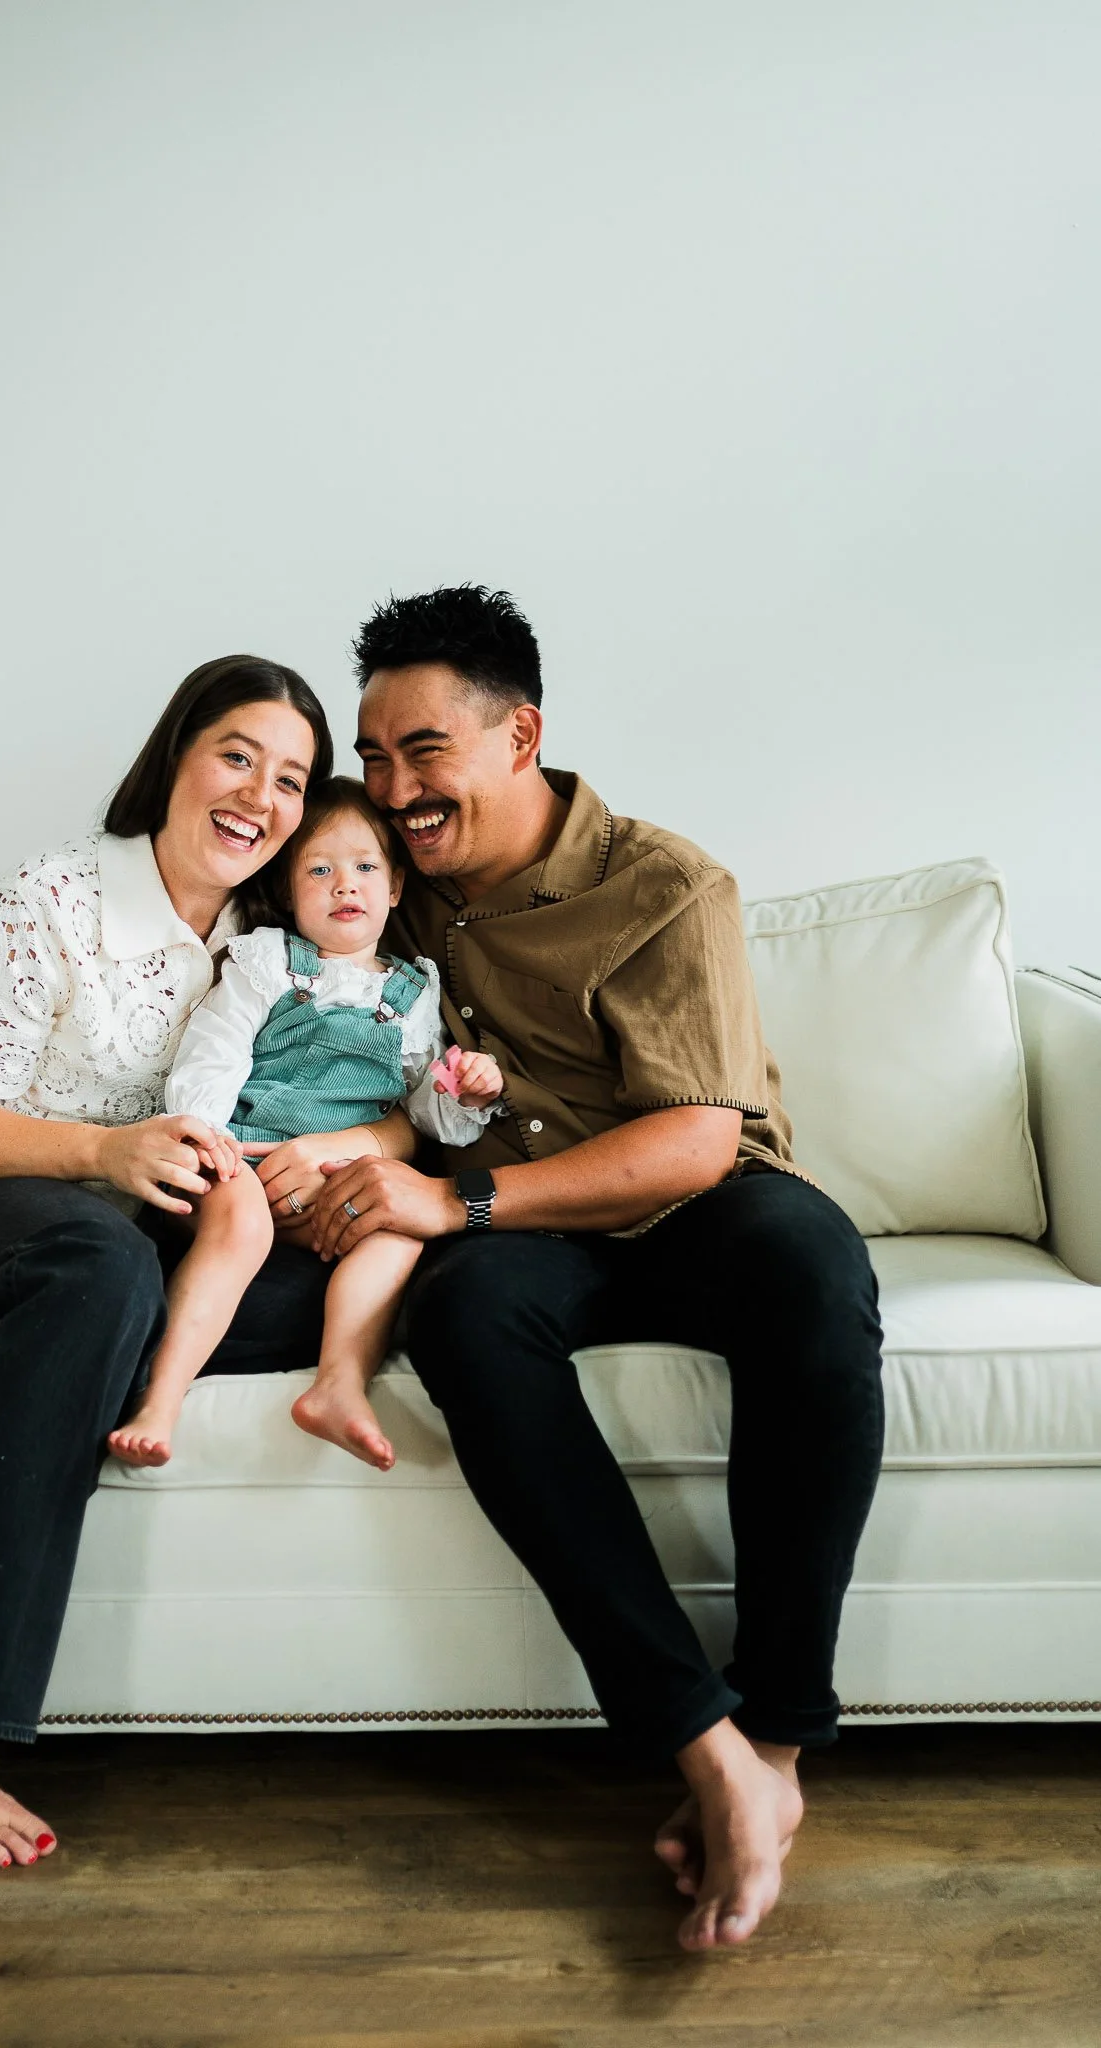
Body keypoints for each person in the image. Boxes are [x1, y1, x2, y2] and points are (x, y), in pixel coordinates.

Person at [308, 586, 885, 1953]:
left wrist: (456, 1201)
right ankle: (700, 1745)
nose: (392, 789)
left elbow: (695, 1139)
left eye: (422, 752)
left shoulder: (661, 882)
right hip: (526, 1245)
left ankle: (779, 1742)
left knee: (815, 1273)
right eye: (372, 756)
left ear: (522, 738)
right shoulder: (388, 890)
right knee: (462, 1322)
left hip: (695, 1206)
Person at [0, 654, 413, 1870]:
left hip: (134, 1240)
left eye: (292, 779)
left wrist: (347, 1151)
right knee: (97, 1267)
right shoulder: (49, 899)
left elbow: (385, 1083)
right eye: (237, 754)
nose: (260, 795)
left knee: (362, 1270)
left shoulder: (267, 931)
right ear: (176, 756)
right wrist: (99, 1148)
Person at [108, 776, 503, 1475]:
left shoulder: (412, 994)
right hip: (239, 1157)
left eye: (363, 868)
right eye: (319, 869)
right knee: (243, 1225)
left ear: (395, 888)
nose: (343, 885)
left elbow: (421, 1112)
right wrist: (206, 1136)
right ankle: (160, 1399)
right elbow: (215, 1049)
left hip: (336, 1184)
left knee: (399, 1231)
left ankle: (337, 1384)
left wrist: (467, 1093)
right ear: (288, 891)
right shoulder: (268, 964)